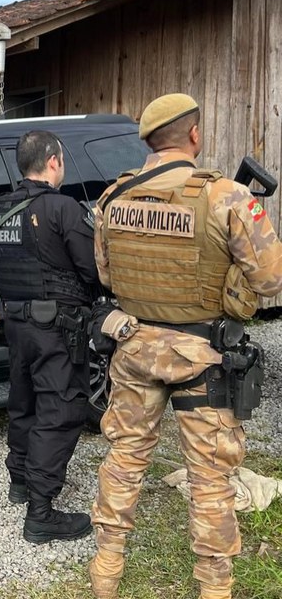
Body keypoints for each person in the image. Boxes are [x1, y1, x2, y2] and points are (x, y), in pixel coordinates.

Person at [88, 93, 282, 599]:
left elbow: (106, 274)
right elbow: (271, 281)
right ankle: (214, 589)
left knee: (125, 459)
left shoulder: (113, 198)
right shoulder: (226, 197)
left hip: (133, 348)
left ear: (149, 141)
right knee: (211, 477)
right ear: (194, 135)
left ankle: (105, 574)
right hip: (202, 356)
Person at [0, 130, 100, 544]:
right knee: (62, 408)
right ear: (53, 161)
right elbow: (94, 271)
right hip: (56, 329)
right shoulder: (64, 209)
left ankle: (19, 480)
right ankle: (41, 512)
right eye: (62, 160)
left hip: (15, 324)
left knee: (23, 398)